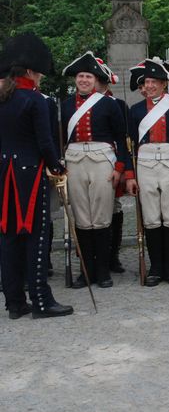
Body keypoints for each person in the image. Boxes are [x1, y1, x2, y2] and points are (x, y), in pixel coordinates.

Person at [0, 33, 73, 319]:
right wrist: (57, 167)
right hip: (29, 174)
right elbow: (45, 143)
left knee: (8, 236)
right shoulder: (34, 100)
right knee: (36, 235)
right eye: (40, 73)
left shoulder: (3, 99)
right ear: (30, 71)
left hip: (4, 173)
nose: (41, 77)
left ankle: (15, 302)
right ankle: (41, 301)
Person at [60, 52, 129, 289]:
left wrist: (119, 168)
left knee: (101, 217)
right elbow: (60, 138)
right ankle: (86, 272)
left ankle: (103, 270)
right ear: (75, 79)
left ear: (95, 80)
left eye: (88, 77)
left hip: (102, 161)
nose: (84, 80)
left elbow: (121, 138)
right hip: (74, 161)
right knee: (82, 218)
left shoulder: (109, 104)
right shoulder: (65, 105)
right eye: (80, 76)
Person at [125, 57, 169, 285]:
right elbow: (129, 146)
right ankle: (156, 267)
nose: (150, 86)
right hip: (145, 166)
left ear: (163, 84)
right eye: (147, 82)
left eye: (155, 82)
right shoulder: (135, 111)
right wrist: (130, 175)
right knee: (151, 218)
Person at [93, 56, 129, 273]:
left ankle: (112, 255)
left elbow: (123, 138)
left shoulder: (118, 105)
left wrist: (122, 167)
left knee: (113, 208)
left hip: (111, 162)